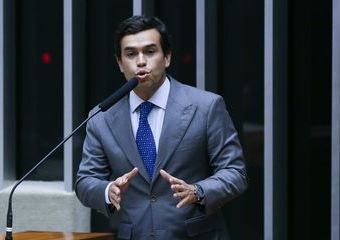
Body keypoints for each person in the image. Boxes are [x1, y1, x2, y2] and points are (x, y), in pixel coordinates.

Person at [75, 15, 248, 240]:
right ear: (119, 63)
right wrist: (108, 191)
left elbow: (236, 173)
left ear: (166, 57)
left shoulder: (206, 107)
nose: (140, 61)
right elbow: (85, 180)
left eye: (150, 51)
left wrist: (198, 191)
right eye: (130, 54)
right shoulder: (102, 118)